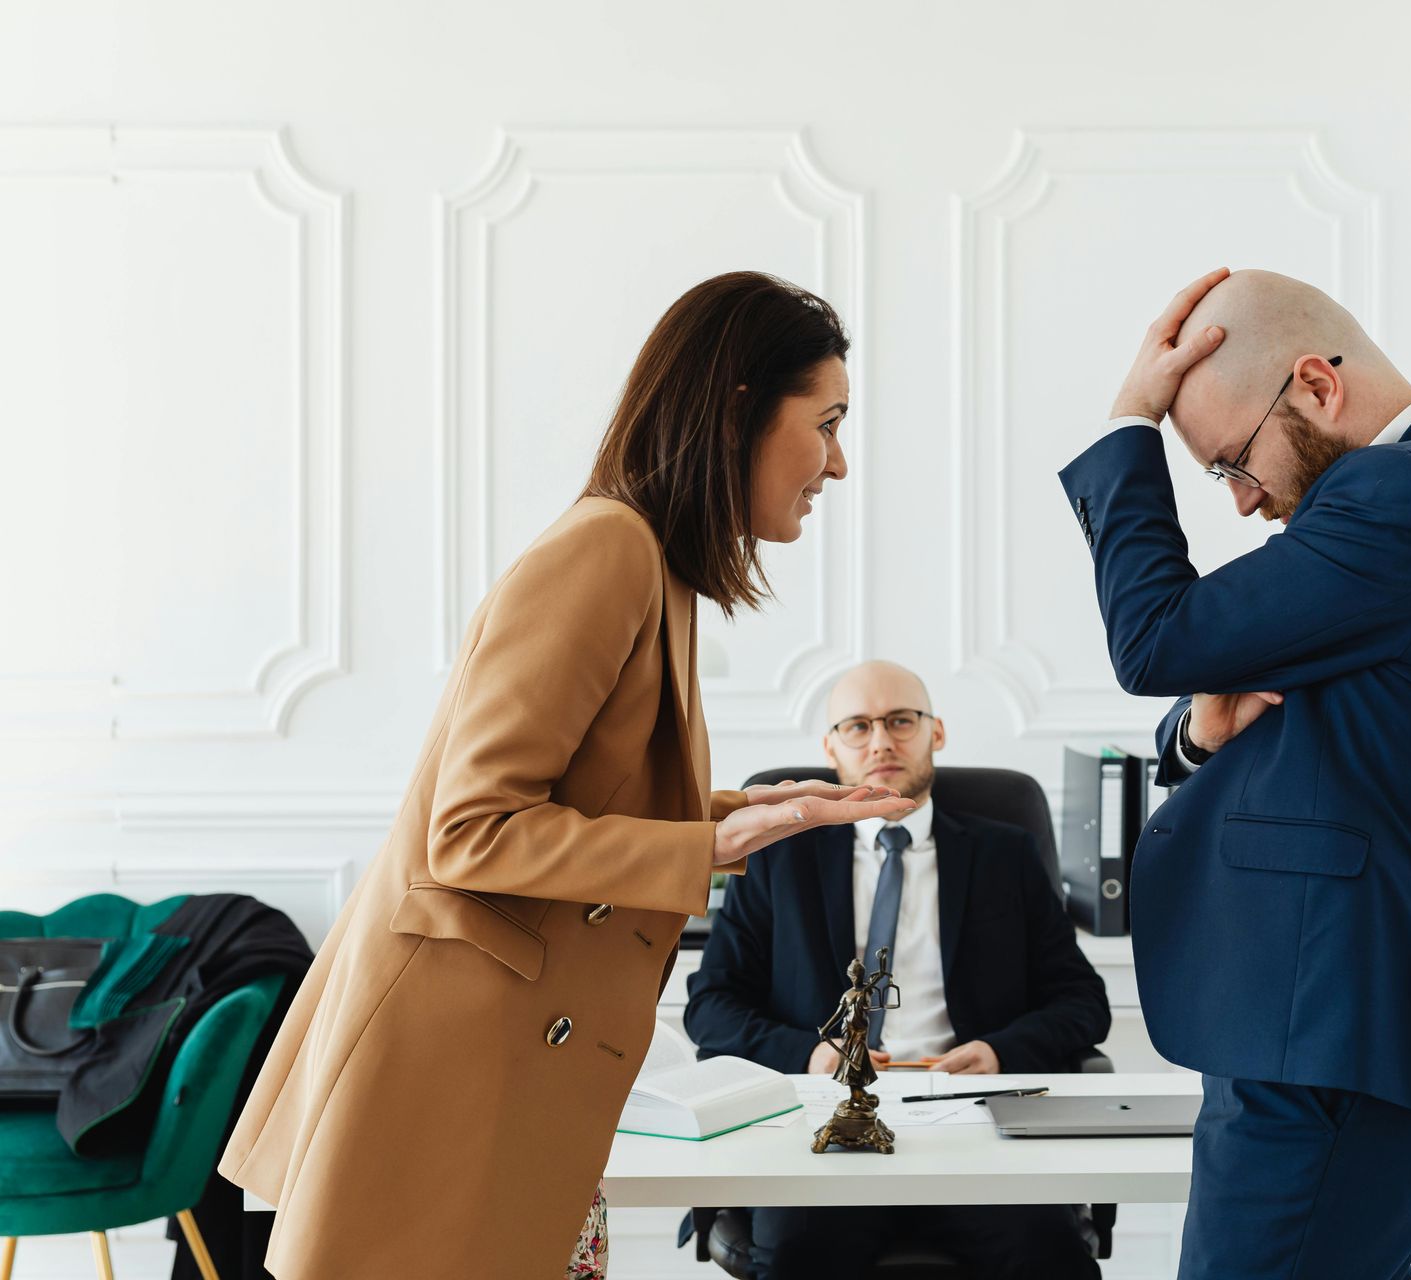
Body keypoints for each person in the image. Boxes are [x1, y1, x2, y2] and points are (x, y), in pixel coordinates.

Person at [216, 272, 915, 1279]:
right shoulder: (606, 551)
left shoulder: (654, 565)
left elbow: (578, 797)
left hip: (510, 1076)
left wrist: (742, 811)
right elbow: (470, 828)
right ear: (739, 412)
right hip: (450, 1081)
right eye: (828, 422)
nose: (837, 464)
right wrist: (706, 844)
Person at [1058, 268, 1411, 1278]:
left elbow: (1157, 636)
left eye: (1234, 460)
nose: (1241, 502)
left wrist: (1130, 420)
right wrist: (1198, 733)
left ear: (1317, 385)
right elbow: (1261, 723)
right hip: (1327, 1021)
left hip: (1337, 1031)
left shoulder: (1402, 492)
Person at [684, 659, 1110, 1279]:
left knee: (1050, 1256)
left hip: (972, 1128)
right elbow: (712, 1006)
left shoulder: (1003, 854)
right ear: (831, 747)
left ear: (936, 732)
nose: (881, 741)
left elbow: (1082, 1002)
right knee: (801, 1254)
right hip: (823, 1131)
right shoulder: (780, 860)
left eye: (901, 721)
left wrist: (997, 1050)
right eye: (858, 726)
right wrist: (813, 1054)